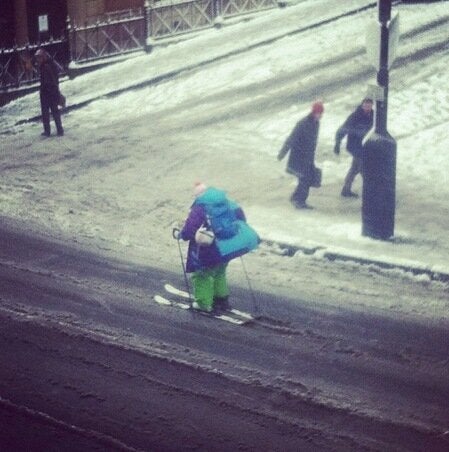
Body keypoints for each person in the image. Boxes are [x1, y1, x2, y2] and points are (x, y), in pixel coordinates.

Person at [177, 183, 257, 313]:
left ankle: (203, 304)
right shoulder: (227, 202)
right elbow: (241, 218)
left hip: (208, 248)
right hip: (227, 247)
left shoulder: (200, 208)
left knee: (202, 275)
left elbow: (190, 229)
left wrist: (182, 235)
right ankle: (221, 300)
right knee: (219, 271)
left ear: (198, 195)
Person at [277, 101, 324, 209]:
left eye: (321, 113)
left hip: (308, 157)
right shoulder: (303, 123)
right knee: (305, 179)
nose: (320, 115)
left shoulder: (316, 123)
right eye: (319, 113)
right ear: (314, 112)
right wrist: (282, 153)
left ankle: (296, 197)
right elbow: (291, 138)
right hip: (299, 156)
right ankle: (299, 201)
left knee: (307, 178)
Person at [334, 98, 374, 197]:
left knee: (355, 168)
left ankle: (346, 189)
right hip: (355, 146)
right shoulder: (355, 116)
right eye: (366, 105)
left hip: (364, 146)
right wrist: (337, 143)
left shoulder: (373, 116)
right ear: (362, 105)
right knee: (363, 168)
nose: (367, 108)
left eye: (369, 106)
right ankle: (371, 191)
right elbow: (344, 128)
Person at [35, 48, 64, 137]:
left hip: (48, 92)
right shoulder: (47, 64)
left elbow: (48, 80)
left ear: (43, 57)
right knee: (52, 112)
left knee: (49, 112)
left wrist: (44, 89)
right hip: (51, 91)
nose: (38, 60)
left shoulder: (46, 66)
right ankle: (58, 130)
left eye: (39, 58)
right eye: (37, 58)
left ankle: (50, 131)